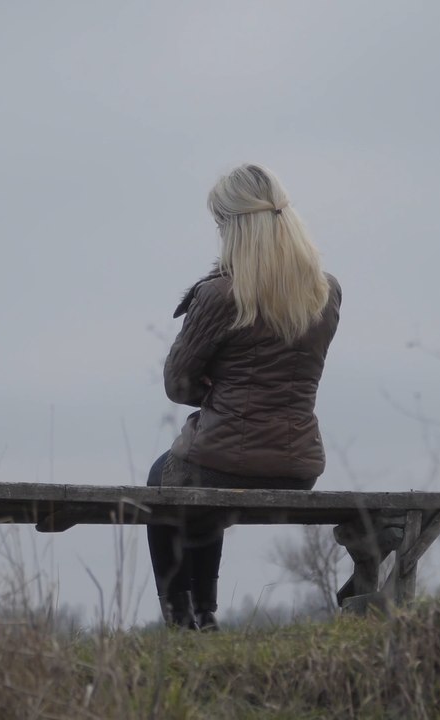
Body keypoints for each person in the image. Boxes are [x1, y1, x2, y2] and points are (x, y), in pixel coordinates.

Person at [147, 163, 342, 630]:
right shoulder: (325, 292)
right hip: (297, 470)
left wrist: (214, 391)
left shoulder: (220, 295)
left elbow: (178, 385)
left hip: (220, 462)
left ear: (234, 227)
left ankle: (185, 618)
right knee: (202, 484)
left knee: (168, 477)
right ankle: (205, 614)